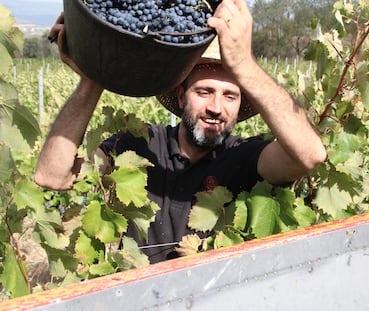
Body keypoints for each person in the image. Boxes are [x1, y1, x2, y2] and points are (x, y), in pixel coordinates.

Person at [34, 0, 327, 264]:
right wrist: (93, 77)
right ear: (181, 94)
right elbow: (52, 175)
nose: (216, 107)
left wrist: (244, 66)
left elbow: (310, 155)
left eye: (230, 96)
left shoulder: (245, 158)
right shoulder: (137, 146)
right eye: (204, 91)